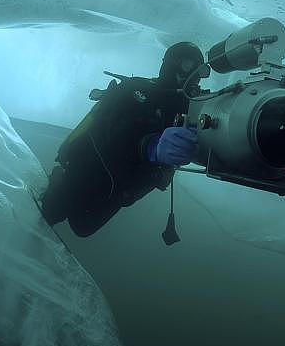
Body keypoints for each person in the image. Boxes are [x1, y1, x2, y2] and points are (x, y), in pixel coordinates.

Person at [39, 42, 205, 237]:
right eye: (187, 65)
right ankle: (59, 179)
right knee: (52, 211)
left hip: (127, 183)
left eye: (200, 70)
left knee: (83, 227)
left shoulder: (194, 107)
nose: (193, 74)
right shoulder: (138, 91)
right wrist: (150, 147)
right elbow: (113, 134)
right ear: (170, 64)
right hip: (91, 166)